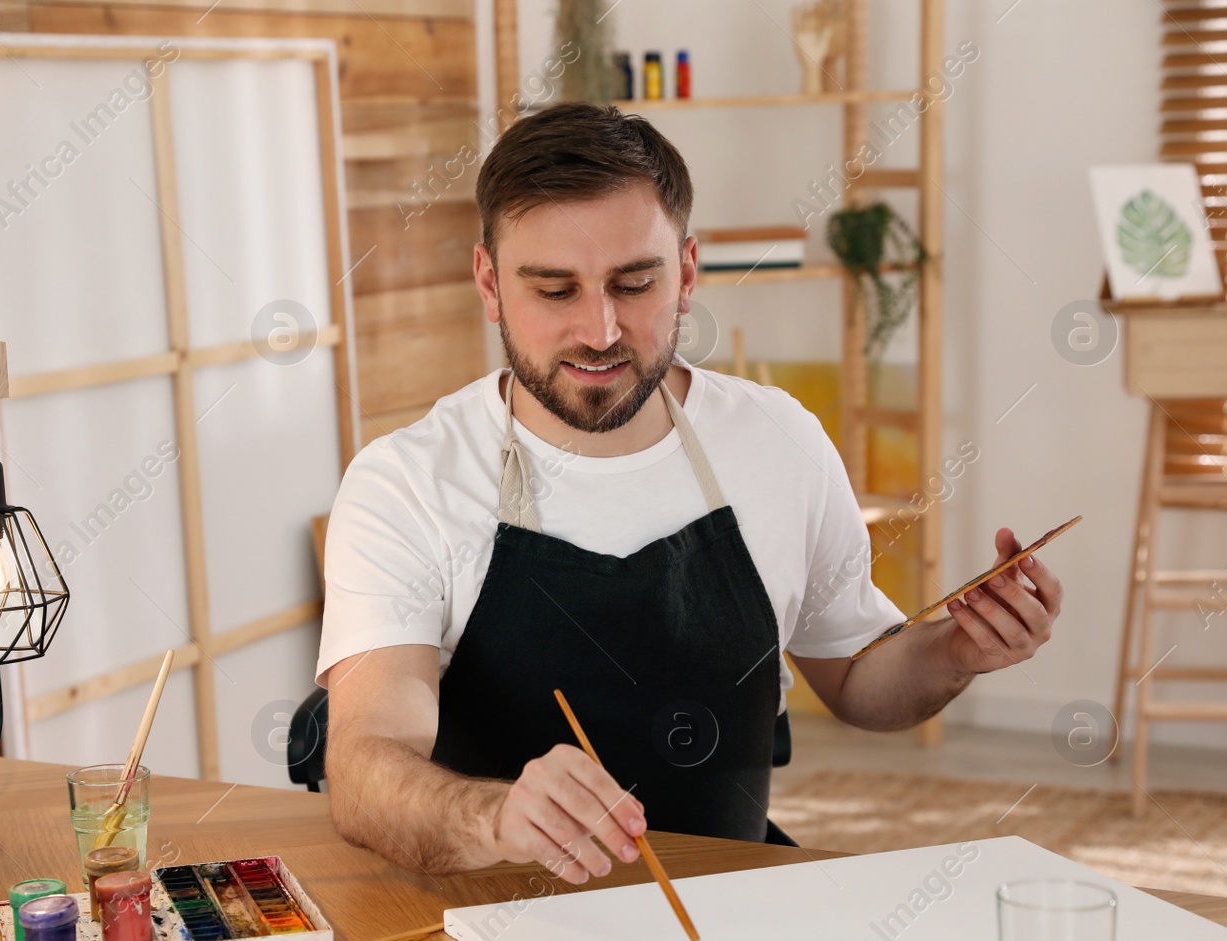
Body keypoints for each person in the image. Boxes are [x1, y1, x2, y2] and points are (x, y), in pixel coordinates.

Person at [316, 102, 1062, 885]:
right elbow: (366, 767)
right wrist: (493, 817)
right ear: (489, 282)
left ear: (689, 272)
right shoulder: (406, 482)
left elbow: (860, 679)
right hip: (487, 934)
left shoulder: (780, 440)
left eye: (634, 283)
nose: (600, 330)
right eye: (555, 291)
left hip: (733, 913)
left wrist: (958, 650)